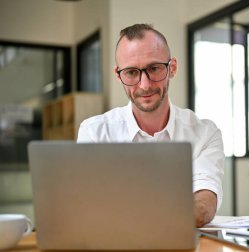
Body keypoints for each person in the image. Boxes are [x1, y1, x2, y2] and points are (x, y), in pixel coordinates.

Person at [77, 24, 224, 227]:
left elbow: (203, 207)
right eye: (131, 73)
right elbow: (87, 207)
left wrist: (120, 209)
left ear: (172, 68)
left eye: (154, 68)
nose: (144, 85)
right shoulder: (94, 133)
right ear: (119, 75)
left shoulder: (205, 134)